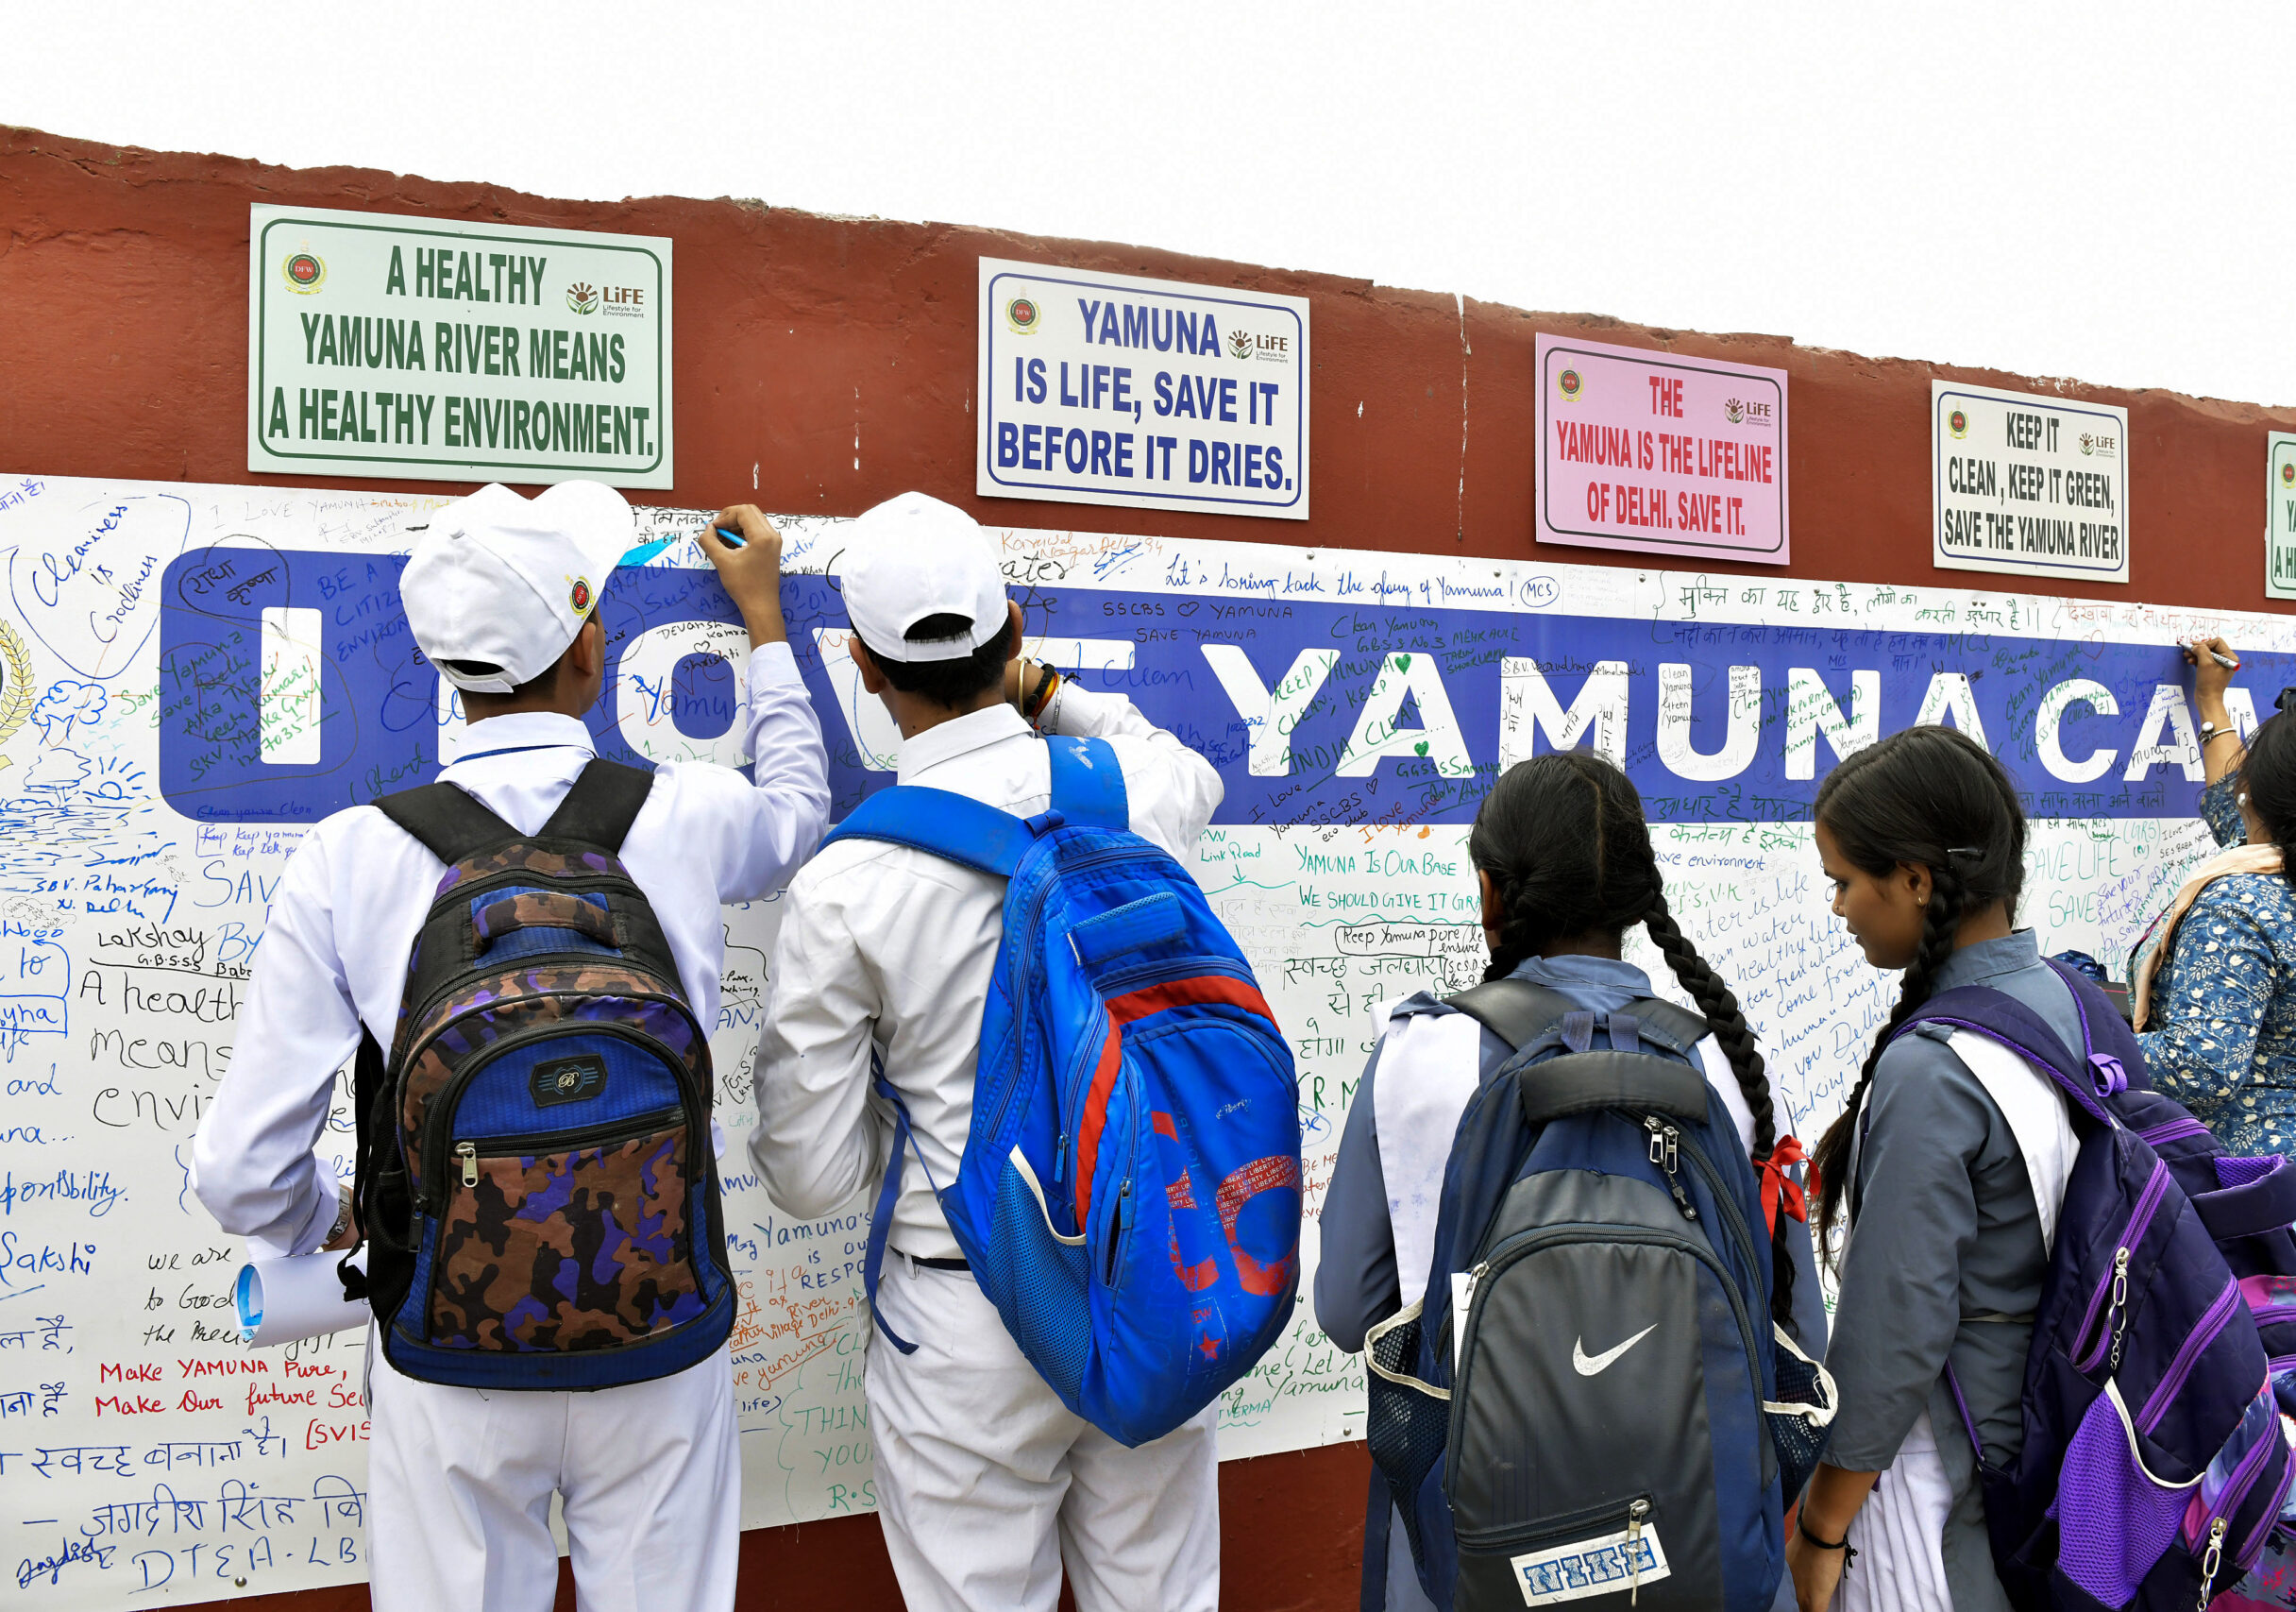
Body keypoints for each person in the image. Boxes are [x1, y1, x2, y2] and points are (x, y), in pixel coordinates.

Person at [193, 483, 829, 1612]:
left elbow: (239, 1169)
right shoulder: (683, 811)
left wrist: (325, 1226)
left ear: (449, 671)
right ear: (590, 647)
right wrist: (766, 626)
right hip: (661, 1334)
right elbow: (798, 812)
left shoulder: (350, 857)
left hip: (448, 1343)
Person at [748, 490, 1225, 1612]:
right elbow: (1185, 765)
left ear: (865, 670)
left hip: (963, 1303)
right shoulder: (1132, 798)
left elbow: (810, 1177)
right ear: (1014, 632)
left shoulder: (845, 883)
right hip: (1149, 1272)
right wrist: (1048, 695)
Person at [1314, 747, 1822, 1612]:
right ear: (1635, 900)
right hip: (1694, 1536)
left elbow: (1347, 1310)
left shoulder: (1415, 1059)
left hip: (1473, 1542)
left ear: (1492, 894)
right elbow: (1793, 1329)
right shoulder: (1722, 1067)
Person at [2130, 642, 2296, 1612]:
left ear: (2269, 798)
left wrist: (2084, 1027)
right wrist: (2214, 709)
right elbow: (2235, 822)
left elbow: (2201, 1068)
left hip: (2250, 1205)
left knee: (2245, 1451)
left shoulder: (2244, 904)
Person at [1788, 725, 2053, 1612]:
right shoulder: (2069, 1000)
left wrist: (1823, 1524)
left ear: (1914, 880)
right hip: (2051, 1435)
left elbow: (1892, 1329)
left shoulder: (1932, 1067)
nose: (1838, 907)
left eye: (1843, 881)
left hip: (1944, 1467)